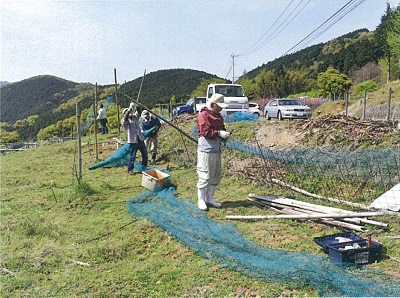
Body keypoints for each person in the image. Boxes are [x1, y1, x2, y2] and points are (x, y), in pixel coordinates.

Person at [196, 93, 230, 210]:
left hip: (216, 148)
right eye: (219, 106)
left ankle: (209, 198)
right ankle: (201, 199)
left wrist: (224, 134)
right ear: (212, 104)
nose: (220, 108)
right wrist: (219, 133)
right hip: (206, 149)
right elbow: (205, 131)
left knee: (215, 175)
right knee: (205, 175)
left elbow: (221, 128)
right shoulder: (203, 115)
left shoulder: (219, 116)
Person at [122, 103, 148, 175]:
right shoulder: (124, 121)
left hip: (140, 139)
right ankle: (130, 169)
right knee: (132, 156)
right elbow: (125, 117)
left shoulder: (135, 117)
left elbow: (139, 111)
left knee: (145, 154)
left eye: (130, 111)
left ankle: (144, 167)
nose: (130, 113)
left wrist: (136, 105)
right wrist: (129, 108)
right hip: (133, 141)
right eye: (128, 112)